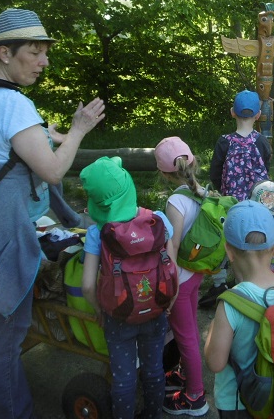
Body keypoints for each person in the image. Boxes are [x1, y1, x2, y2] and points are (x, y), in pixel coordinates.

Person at [0, 8, 105, 419]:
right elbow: (52, 170)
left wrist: (50, 134)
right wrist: (79, 129)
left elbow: (2, 142)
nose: (44, 61)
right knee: (2, 343)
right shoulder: (11, 102)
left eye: (45, 52)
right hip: (0, 243)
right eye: (34, 52)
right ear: (5, 52)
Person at [80, 156, 175, 419]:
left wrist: (100, 310)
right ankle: (153, 414)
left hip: (119, 315)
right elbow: (171, 269)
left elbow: (87, 286)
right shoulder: (158, 221)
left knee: (123, 377)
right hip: (155, 310)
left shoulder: (98, 233)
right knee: (154, 369)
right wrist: (169, 302)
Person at [203, 199, 274, 419]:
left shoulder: (230, 304)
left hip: (238, 403)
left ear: (229, 251)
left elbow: (215, 363)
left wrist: (212, 330)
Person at [154, 136, 210, 416]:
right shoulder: (203, 192)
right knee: (190, 331)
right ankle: (187, 373)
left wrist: (170, 285)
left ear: (164, 174)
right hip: (197, 270)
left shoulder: (176, 202)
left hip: (182, 278)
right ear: (193, 161)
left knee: (184, 335)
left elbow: (172, 246)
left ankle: (195, 397)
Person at [203, 90, 272, 308]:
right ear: (258, 115)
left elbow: (215, 173)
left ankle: (220, 283)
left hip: (231, 205)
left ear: (232, 112)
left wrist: (224, 192)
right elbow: (266, 170)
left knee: (227, 242)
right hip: (257, 206)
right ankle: (250, 283)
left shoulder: (224, 142)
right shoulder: (262, 142)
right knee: (251, 242)